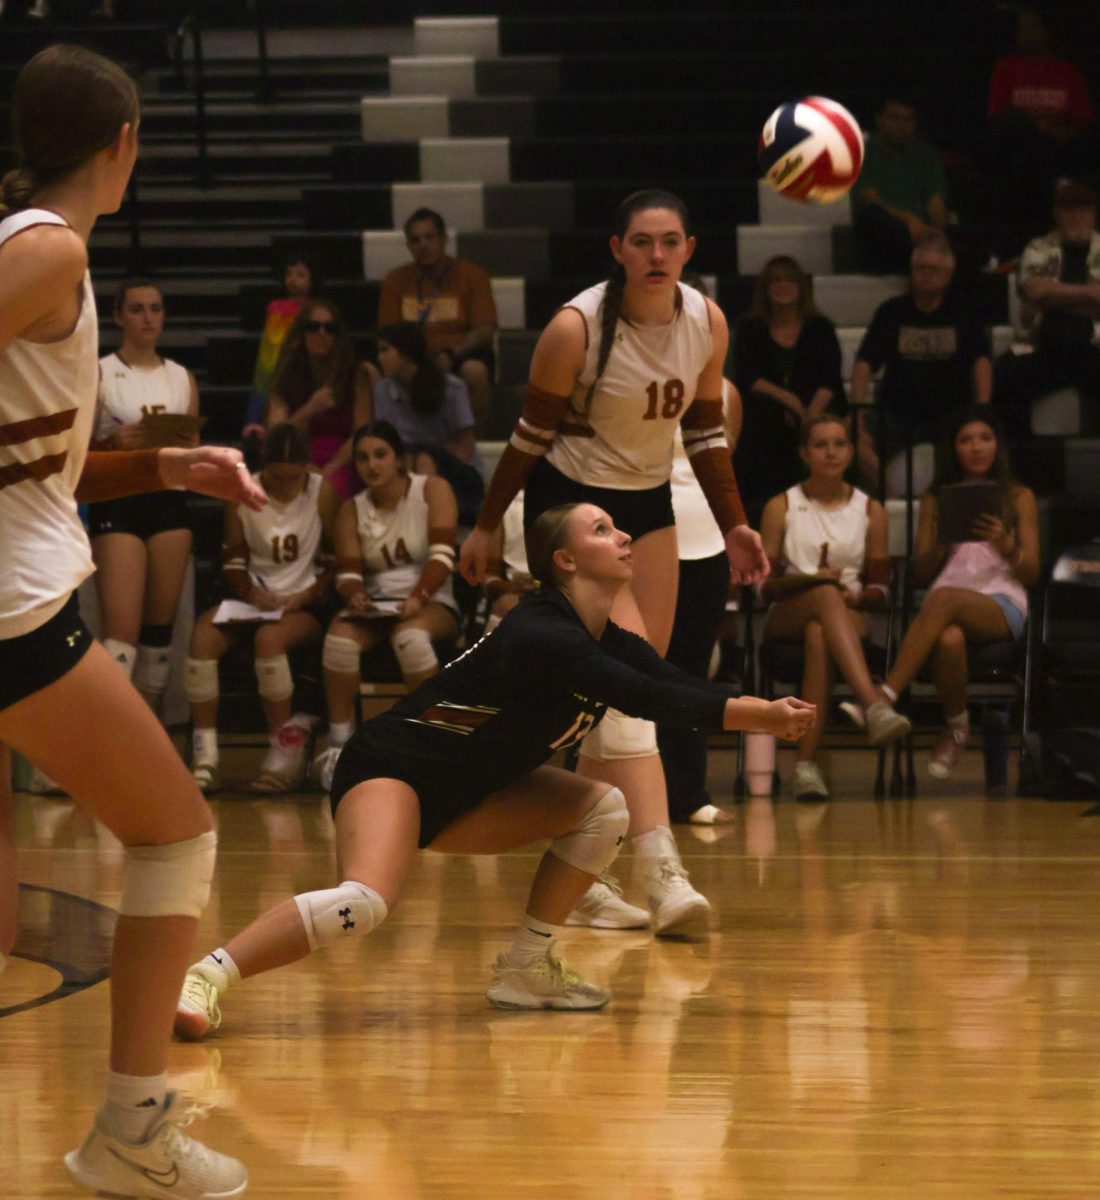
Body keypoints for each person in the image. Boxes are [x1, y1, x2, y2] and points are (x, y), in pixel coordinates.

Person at [174, 502, 815, 1038]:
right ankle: (207, 974)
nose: (623, 537)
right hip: (393, 770)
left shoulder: (604, 636)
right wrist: (759, 715)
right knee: (365, 903)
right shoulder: (542, 630)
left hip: (475, 789)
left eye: (618, 527)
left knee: (603, 809)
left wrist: (755, 708)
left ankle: (525, 970)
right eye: (601, 529)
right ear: (565, 560)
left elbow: (669, 681)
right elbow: (652, 698)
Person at [0, 43, 256, 1196]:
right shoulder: (48, 246)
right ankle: (131, 1131)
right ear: (124, 146)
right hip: (14, 608)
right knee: (176, 835)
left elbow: (32, 466)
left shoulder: (40, 251)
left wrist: (162, 464)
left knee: (3, 893)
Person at [458, 189, 767, 936]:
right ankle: (662, 874)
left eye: (669, 242)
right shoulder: (575, 330)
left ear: (690, 248)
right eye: (641, 243)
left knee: (622, 696)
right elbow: (527, 440)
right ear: (617, 250)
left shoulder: (706, 322)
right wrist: (488, 523)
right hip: (572, 500)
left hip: (649, 498)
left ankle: (585, 875)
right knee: (630, 691)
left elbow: (703, 434)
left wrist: (735, 525)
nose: (655, 256)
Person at [847, 407, 1039, 778]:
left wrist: (1004, 543)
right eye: (965, 440)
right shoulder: (936, 497)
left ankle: (881, 698)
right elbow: (920, 572)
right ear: (953, 448)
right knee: (949, 638)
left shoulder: (1018, 496)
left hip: (1000, 602)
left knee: (943, 599)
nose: (976, 447)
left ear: (997, 445)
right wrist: (942, 541)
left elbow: (1031, 570)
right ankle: (957, 727)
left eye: (984, 438)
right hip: (946, 604)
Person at [758, 416, 910, 800]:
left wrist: (858, 597)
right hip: (789, 610)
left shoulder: (869, 509)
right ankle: (872, 704)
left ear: (851, 451)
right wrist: (813, 581)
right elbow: (763, 587)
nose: (831, 452)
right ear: (804, 453)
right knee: (823, 595)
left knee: (820, 631)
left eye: (840, 444)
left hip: (848, 613)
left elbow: (880, 589)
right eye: (821, 444)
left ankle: (806, 766)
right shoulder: (782, 506)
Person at [185, 423, 340, 794]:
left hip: (303, 602)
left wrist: (308, 595)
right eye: (276, 477)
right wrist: (251, 592)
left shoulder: (323, 493)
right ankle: (205, 755)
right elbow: (234, 560)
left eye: (292, 478)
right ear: (263, 468)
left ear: (307, 468)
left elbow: (338, 562)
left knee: (269, 640)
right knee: (202, 638)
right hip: (256, 598)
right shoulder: (242, 493)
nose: (284, 486)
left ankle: (282, 751)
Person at [313, 421, 461, 788]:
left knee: (410, 640)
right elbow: (347, 572)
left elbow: (443, 557)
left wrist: (418, 598)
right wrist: (355, 594)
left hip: (432, 597)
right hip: (380, 603)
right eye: (362, 458)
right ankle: (341, 745)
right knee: (338, 641)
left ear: (399, 459)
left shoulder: (433, 490)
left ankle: (433, 743)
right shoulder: (351, 508)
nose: (372, 465)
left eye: (380, 455)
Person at [87, 277, 200, 714]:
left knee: (159, 634)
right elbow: (77, 451)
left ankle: (149, 731)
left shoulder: (180, 377)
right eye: (137, 309)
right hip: (118, 500)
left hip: (168, 500)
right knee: (122, 636)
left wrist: (183, 449)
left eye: (155, 308)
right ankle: (113, 737)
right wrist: (115, 443)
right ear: (118, 316)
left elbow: (193, 448)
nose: (148, 318)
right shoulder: (99, 372)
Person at [852, 234, 992, 497]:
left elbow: (981, 361)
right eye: (921, 268)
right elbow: (864, 363)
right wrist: (858, 415)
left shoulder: (963, 311)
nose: (926, 275)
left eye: (935, 269)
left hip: (952, 413)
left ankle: (943, 505)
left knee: (982, 442)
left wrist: (982, 410)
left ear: (948, 275)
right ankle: (892, 498)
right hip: (896, 412)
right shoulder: (892, 311)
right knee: (848, 438)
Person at [994, 179, 1100, 467]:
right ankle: (1017, 469)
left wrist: (1055, 297)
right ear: (1057, 213)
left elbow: (1045, 293)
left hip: (1094, 350)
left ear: (1094, 213)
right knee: (1002, 375)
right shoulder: (1039, 247)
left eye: (1084, 209)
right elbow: (1035, 291)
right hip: (1045, 348)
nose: (1077, 216)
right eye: (1069, 209)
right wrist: (1088, 295)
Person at [733, 255, 846, 523]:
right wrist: (790, 401)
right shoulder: (750, 328)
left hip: (815, 411)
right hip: (765, 418)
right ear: (765, 288)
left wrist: (810, 416)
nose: (782, 286)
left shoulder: (820, 328)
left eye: (789, 281)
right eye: (775, 281)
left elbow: (830, 379)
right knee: (763, 422)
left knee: (822, 431)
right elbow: (749, 378)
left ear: (801, 288)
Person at [377, 207, 498, 430]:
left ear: (444, 239)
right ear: (408, 245)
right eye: (415, 240)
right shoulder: (394, 280)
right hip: (413, 356)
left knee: (475, 371)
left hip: (460, 353)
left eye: (429, 237)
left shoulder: (472, 275)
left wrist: (451, 353)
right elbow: (388, 332)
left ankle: (470, 436)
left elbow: (485, 330)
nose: (422, 244)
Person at [987, 5, 1095, 235]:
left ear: (1046, 30)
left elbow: (1083, 121)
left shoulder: (1067, 71)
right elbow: (998, 115)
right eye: (1022, 28)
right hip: (1018, 151)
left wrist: (1054, 135)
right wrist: (1036, 127)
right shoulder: (1006, 68)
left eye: (1033, 27)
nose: (1027, 33)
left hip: (1060, 149)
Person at [372, 318, 485, 525]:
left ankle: (425, 528)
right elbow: (386, 442)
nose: (379, 357)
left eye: (384, 350)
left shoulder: (452, 387)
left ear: (404, 351)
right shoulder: (382, 390)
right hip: (406, 468)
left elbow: (465, 448)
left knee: (424, 457)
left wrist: (427, 458)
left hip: (459, 475)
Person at [266, 297, 374, 499]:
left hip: (343, 460)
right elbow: (277, 437)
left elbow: (361, 434)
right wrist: (310, 409)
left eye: (329, 328)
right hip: (297, 460)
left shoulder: (354, 376)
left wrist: (329, 470)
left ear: (338, 336)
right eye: (313, 327)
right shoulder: (286, 376)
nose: (321, 333)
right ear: (302, 333)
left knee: (329, 489)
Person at [851, 93, 950, 274]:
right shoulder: (862, 154)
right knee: (873, 217)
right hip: (884, 233)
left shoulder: (926, 155)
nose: (901, 126)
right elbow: (868, 199)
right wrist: (909, 220)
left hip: (922, 232)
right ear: (879, 120)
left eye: (907, 120)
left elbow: (935, 196)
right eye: (894, 118)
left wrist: (936, 224)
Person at [244, 250, 318, 443]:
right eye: (289, 273)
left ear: (313, 279)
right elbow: (268, 351)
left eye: (300, 274)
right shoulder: (277, 308)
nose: (293, 279)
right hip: (274, 369)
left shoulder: (316, 310)